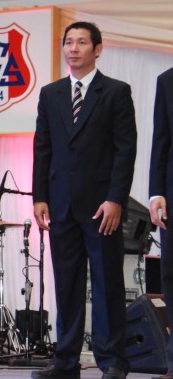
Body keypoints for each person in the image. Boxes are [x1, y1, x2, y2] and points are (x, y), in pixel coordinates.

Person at [32, 21, 136, 379]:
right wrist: (40, 196)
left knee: (107, 283)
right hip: (60, 204)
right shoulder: (51, 94)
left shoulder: (116, 92)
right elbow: (42, 148)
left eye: (81, 42)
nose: (73, 48)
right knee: (67, 283)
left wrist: (115, 198)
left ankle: (112, 360)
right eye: (68, 42)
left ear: (98, 49)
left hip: (101, 206)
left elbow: (125, 150)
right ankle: (66, 360)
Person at [148, 67, 173, 379]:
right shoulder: (167, 80)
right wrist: (156, 192)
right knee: (171, 272)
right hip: (172, 191)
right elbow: (161, 139)